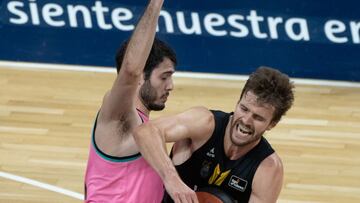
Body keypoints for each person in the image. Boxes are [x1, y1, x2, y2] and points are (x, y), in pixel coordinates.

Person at [84, 0, 197, 202]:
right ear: (141, 77)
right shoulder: (119, 119)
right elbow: (130, 70)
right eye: (164, 77)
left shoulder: (151, 131)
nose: (170, 86)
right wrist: (155, 4)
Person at [134, 67, 295, 203]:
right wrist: (172, 180)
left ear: (272, 124)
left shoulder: (268, 168)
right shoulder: (204, 123)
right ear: (237, 102)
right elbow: (144, 131)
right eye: (244, 109)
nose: (246, 121)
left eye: (258, 117)